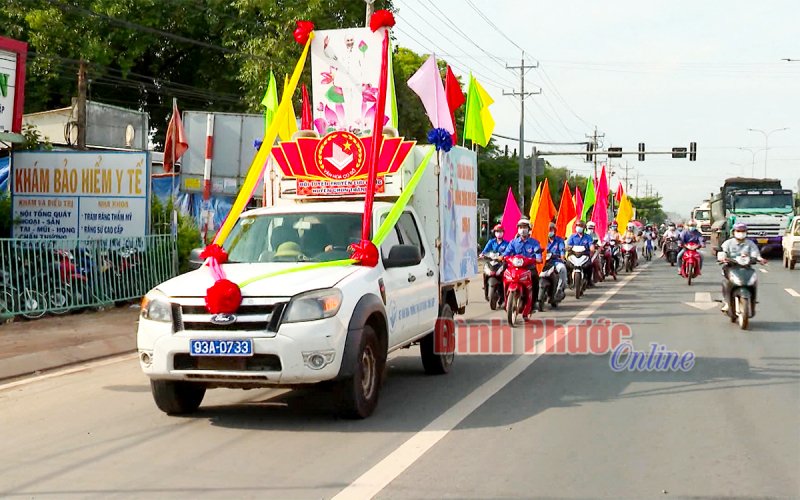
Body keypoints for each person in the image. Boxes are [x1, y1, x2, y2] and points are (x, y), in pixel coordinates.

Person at [718, 222, 767, 312]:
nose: (741, 233)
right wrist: (723, 258)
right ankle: (726, 302)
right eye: (738, 231)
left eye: (743, 231)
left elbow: (755, 254)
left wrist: (760, 259)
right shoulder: (728, 243)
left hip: (746, 267)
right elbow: (723, 252)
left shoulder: (750, 243)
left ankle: (752, 299)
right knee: (726, 283)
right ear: (734, 232)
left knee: (753, 281)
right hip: (731, 267)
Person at [503, 218, 543, 318]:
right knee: (503, 276)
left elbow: (538, 256)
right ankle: (503, 299)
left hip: (529, 268)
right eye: (520, 227)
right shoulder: (513, 242)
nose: (522, 229)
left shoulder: (534, 243)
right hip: (515, 268)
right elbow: (506, 253)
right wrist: (503, 257)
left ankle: (534, 303)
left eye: (524, 227)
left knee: (535, 280)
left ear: (529, 229)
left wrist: (537, 259)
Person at [566, 220, 596, 287]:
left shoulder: (588, 237)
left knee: (590, 266)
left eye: (581, 226)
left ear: (584, 228)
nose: (579, 227)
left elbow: (591, 245)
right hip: (573, 255)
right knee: (567, 265)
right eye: (577, 226)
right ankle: (569, 280)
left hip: (584, 255)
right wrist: (567, 248)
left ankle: (588, 280)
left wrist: (592, 249)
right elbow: (568, 245)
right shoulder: (572, 236)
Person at [545, 222, 567, 300]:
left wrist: (562, 256)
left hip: (556, 261)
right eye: (548, 230)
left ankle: (560, 289)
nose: (549, 231)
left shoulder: (559, 240)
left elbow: (562, 250)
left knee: (562, 269)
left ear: (554, 230)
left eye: (551, 229)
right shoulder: (543, 239)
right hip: (545, 262)